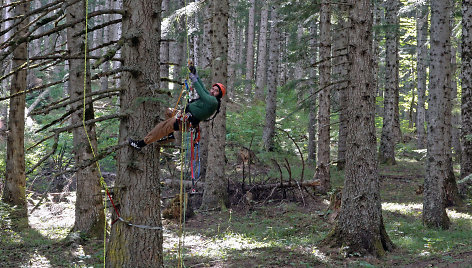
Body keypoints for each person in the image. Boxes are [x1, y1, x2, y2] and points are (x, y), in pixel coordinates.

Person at [128, 65, 226, 149]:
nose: (212, 91)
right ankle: (170, 136)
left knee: (161, 127)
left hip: (184, 121)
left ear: (219, 94)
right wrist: (196, 75)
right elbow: (204, 89)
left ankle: (141, 144)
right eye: (212, 89)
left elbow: (201, 92)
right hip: (184, 114)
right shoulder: (211, 98)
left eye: (216, 91)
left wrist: (193, 78)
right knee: (169, 112)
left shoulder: (213, 101)